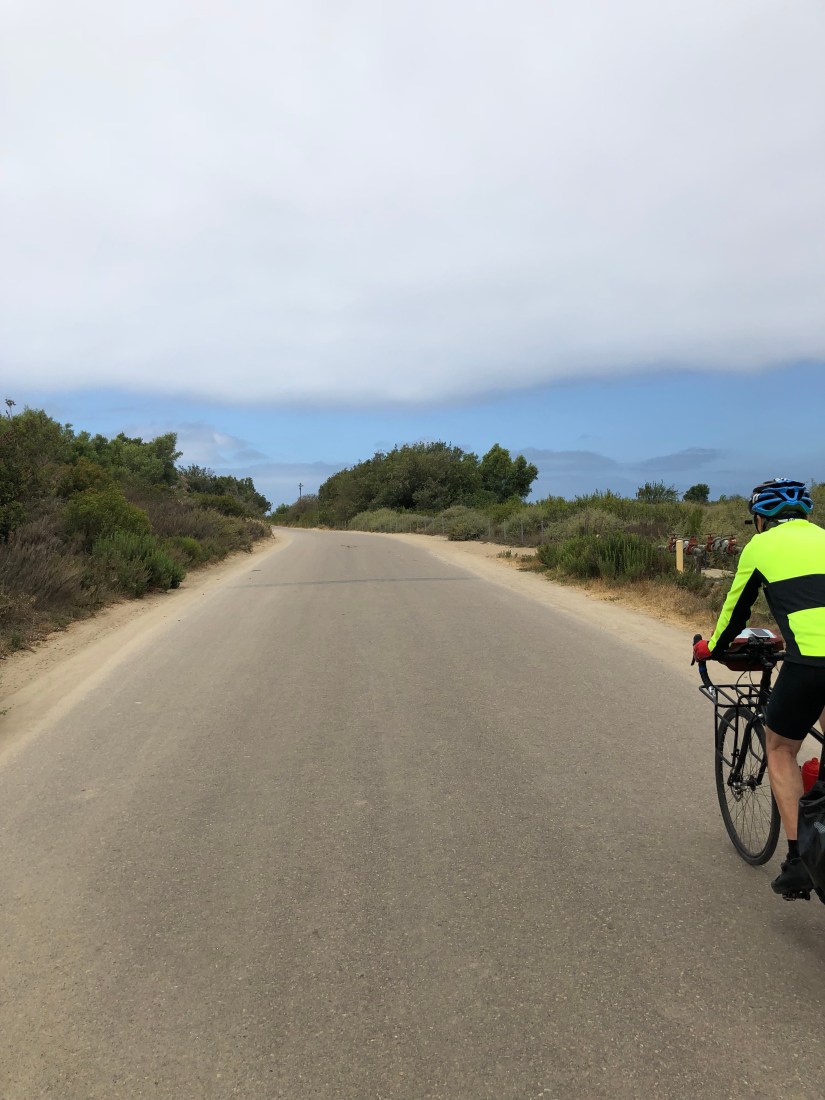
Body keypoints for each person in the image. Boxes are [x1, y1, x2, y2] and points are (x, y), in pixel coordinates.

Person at [693, 478, 825, 896]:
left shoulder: (759, 547)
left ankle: (799, 861)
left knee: (781, 748)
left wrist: (711, 647)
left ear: (761, 518)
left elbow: (735, 611)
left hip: (812, 663)